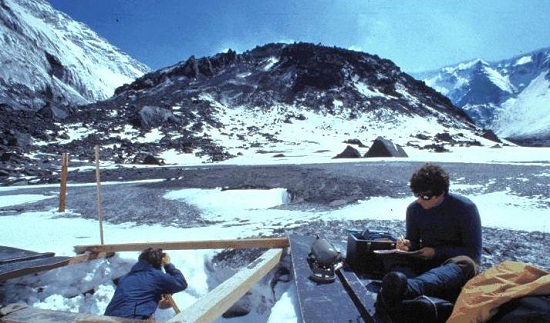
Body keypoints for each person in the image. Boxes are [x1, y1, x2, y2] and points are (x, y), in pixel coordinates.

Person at [375, 163, 482, 323]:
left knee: (466, 263)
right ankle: (408, 295)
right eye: (417, 194)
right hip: (426, 262)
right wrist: (407, 247)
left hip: (454, 266)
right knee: (394, 257)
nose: (419, 200)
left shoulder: (465, 208)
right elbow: (414, 243)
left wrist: (436, 252)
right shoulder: (414, 209)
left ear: (440, 194)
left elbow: (473, 253)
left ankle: (408, 289)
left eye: (424, 196)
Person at [104, 247, 188, 320]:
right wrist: (167, 265)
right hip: (131, 319)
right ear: (159, 263)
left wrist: (158, 300)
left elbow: (138, 296)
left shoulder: (126, 277)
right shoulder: (155, 276)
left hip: (108, 319)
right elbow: (181, 283)